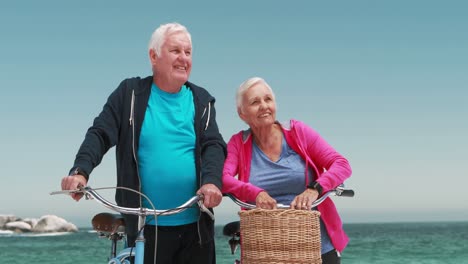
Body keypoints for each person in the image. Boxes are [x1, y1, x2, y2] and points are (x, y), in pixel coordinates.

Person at [60, 22, 226, 264]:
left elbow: (213, 145)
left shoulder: (201, 99)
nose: (183, 58)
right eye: (175, 51)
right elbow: (100, 133)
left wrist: (211, 182)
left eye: (188, 52)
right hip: (146, 227)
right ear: (153, 56)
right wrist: (80, 171)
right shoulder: (129, 94)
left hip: (196, 227)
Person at [222, 77, 352, 264]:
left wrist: (315, 189)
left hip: (316, 245)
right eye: (255, 102)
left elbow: (341, 164)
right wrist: (256, 193)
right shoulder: (238, 143)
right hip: (264, 250)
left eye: (268, 99)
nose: (264, 106)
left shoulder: (298, 132)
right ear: (242, 113)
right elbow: (224, 179)